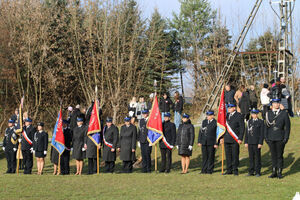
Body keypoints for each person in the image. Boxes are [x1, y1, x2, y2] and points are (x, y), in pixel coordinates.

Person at [265, 99, 290, 179]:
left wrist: (286, 137)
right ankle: (274, 171)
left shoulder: (284, 114)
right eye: (274, 103)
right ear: (272, 104)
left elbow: (287, 127)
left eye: (277, 103)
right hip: (271, 137)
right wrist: (266, 137)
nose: (276, 105)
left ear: (279, 104)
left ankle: (279, 172)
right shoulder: (268, 113)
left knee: (279, 155)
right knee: (273, 155)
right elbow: (266, 127)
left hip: (280, 137)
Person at [221, 103, 244, 176]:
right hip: (227, 138)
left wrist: (240, 138)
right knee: (228, 155)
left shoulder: (238, 115)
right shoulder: (226, 116)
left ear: (234, 108)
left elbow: (242, 127)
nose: (228, 109)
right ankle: (229, 169)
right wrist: (222, 137)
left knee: (235, 155)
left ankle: (235, 169)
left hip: (234, 139)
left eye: (230, 108)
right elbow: (223, 127)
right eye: (228, 108)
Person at [244, 109, 264, 177]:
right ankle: (251, 171)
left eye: (254, 114)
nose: (253, 115)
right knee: (251, 157)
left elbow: (262, 133)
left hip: (257, 142)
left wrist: (260, 142)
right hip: (250, 142)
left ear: (257, 114)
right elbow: (247, 132)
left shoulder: (260, 122)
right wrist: (246, 141)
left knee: (257, 157)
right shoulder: (249, 121)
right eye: (252, 114)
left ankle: (258, 171)